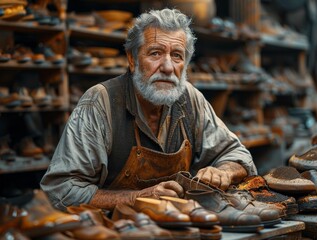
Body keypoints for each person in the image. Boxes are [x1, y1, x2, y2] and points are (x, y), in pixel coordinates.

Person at [40, 8, 257, 211]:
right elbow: (61, 190)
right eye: (155, 53)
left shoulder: (189, 98)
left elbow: (238, 155)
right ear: (132, 60)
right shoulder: (100, 102)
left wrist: (222, 172)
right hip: (115, 229)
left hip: (175, 223)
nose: (168, 67)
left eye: (177, 56)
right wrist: (137, 198)